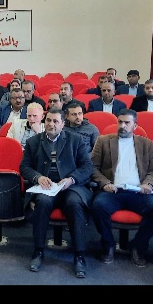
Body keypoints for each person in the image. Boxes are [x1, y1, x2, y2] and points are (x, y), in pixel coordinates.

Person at [20, 108, 94, 278]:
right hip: (46, 187)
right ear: (44, 122)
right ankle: (38, 251)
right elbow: (24, 167)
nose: (51, 124)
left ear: (63, 124)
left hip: (70, 186)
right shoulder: (33, 142)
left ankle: (79, 255)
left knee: (74, 204)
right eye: (48, 120)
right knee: (43, 203)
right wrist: (38, 177)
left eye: (55, 121)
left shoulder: (75, 140)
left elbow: (87, 166)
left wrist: (72, 179)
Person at [89, 109, 153, 267]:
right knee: (98, 206)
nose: (122, 126)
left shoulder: (147, 144)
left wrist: (148, 184)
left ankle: (138, 246)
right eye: (120, 122)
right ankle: (108, 245)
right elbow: (93, 167)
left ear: (135, 126)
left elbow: (152, 171)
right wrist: (105, 183)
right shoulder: (103, 141)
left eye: (127, 123)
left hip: (138, 192)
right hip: (113, 190)